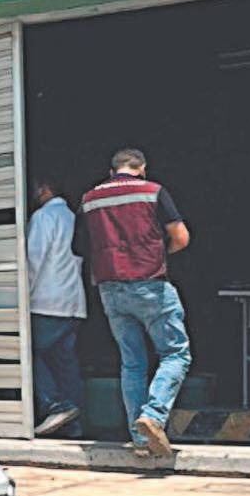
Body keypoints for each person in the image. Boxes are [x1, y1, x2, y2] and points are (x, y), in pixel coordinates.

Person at [72, 148, 191, 458]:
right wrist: (157, 255)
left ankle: (140, 440)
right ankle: (153, 416)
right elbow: (181, 237)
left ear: (112, 171)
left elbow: (79, 247)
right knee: (176, 353)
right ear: (143, 168)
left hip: (110, 289)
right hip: (150, 285)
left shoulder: (89, 199)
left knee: (132, 362)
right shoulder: (152, 191)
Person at [26, 179, 85, 437]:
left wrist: (22, 296)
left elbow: (34, 259)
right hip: (73, 302)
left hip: (46, 302)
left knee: (27, 354)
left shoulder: (43, 217)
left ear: (45, 189)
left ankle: (54, 404)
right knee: (65, 363)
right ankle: (74, 424)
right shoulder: (74, 218)